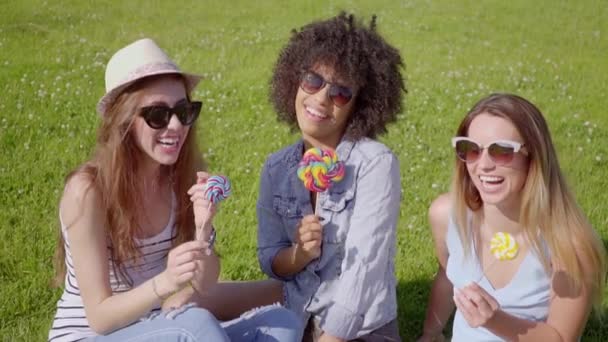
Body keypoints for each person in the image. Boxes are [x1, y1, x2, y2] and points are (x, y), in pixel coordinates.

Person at [49, 38, 302, 342]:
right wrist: (167, 281)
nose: (175, 126)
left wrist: (203, 226)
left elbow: (205, 285)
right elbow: (100, 318)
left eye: (183, 111)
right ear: (124, 121)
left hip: (158, 325)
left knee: (281, 322)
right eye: (157, 115)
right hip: (89, 336)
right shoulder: (87, 191)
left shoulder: (177, 181)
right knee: (193, 327)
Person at [257, 12, 406, 342]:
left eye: (340, 93)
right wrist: (300, 253)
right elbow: (270, 259)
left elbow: (363, 272)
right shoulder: (276, 168)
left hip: (360, 331)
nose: (321, 98)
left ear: (360, 105)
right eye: (312, 80)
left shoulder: (375, 165)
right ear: (293, 80)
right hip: (295, 320)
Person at [418, 93, 607, 341]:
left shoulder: (569, 245)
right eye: (470, 149)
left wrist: (495, 321)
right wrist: (430, 334)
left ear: (534, 158)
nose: (483, 165)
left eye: (502, 151)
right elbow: (447, 276)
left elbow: (561, 338)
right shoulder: (448, 215)